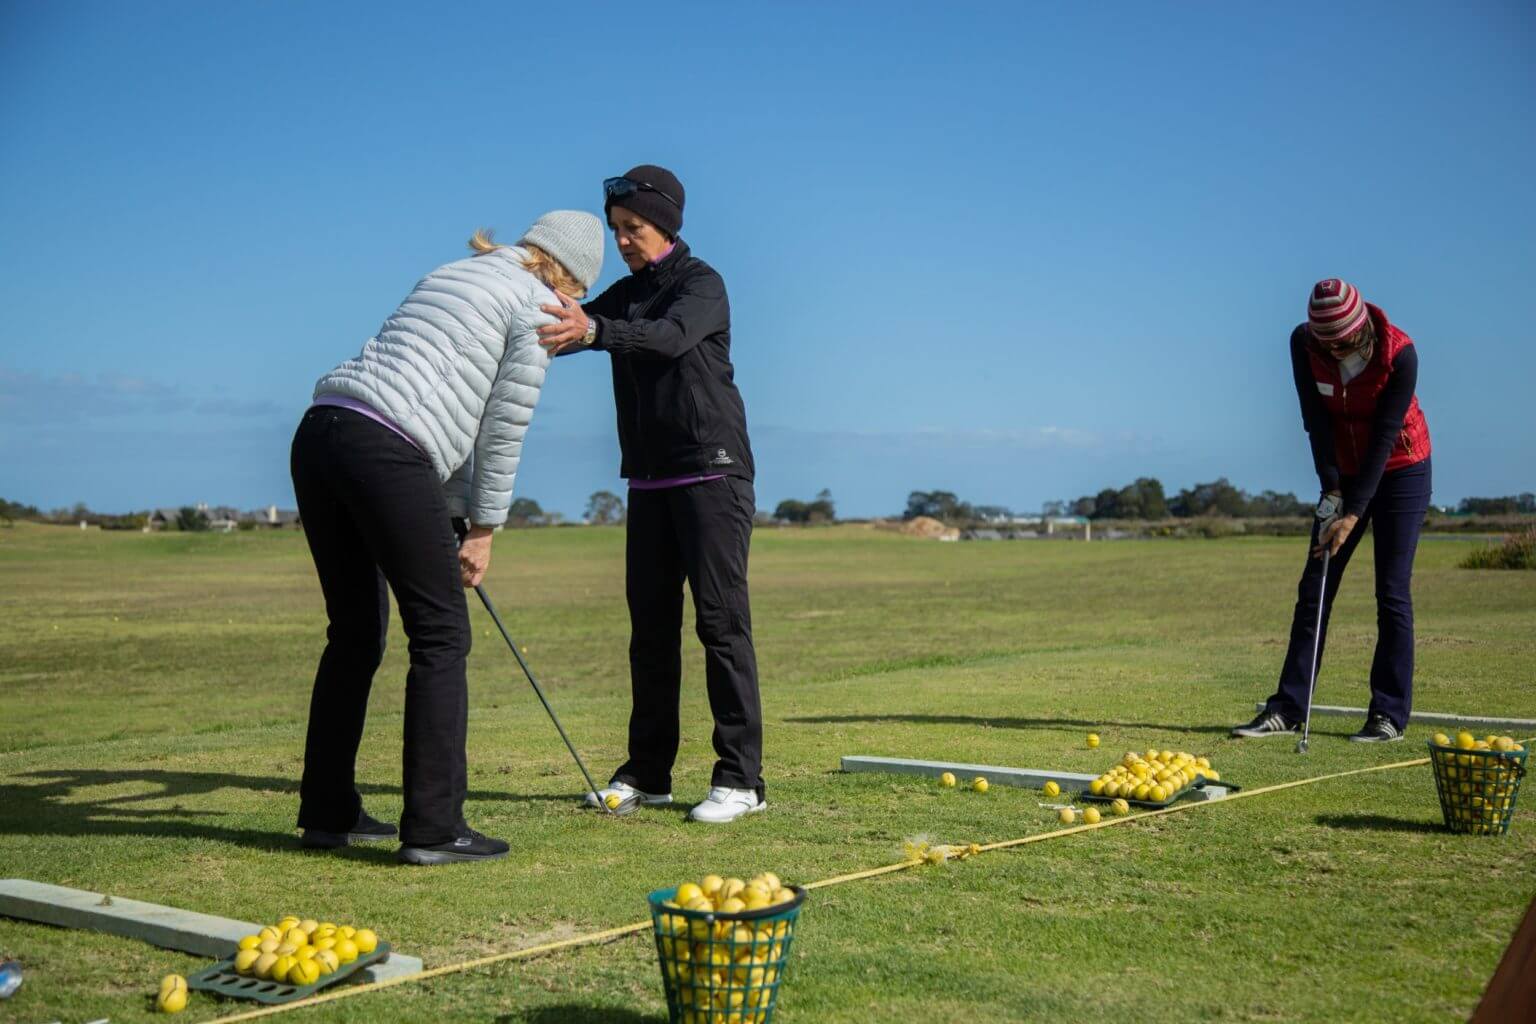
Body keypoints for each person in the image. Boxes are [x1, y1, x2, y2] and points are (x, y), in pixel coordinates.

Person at [291, 211, 604, 863]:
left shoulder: (456, 272)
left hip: (321, 432)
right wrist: (483, 528)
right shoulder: (540, 305)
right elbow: (501, 427)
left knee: (354, 633)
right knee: (442, 633)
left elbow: (442, 407)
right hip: (386, 447)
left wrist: (452, 510)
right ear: (569, 278)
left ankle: (328, 811)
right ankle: (435, 828)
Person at [538, 165, 766, 823]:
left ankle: (741, 779)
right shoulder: (626, 292)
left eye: (633, 228)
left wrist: (596, 332)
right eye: (616, 231)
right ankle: (648, 774)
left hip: (713, 474)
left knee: (721, 626)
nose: (625, 241)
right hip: (649, 481)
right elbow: (570, 324)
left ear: (664, 224)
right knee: (651, 634)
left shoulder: (701, 285)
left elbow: (664, 341)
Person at [1233, 279, 1432, 743]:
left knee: (1391, 592)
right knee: (1315, 585)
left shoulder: (1400, 355)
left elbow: (1384, 436)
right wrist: (1333, 494)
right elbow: (1315, 421)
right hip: (1341, 472)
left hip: (1401, 468)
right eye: (1328, 344)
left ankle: (1388, 714)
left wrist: (1354, 512)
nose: (1336, 351)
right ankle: (1288, 708)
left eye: (1342, 342)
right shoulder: (1304, 344)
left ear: (1360, 328)